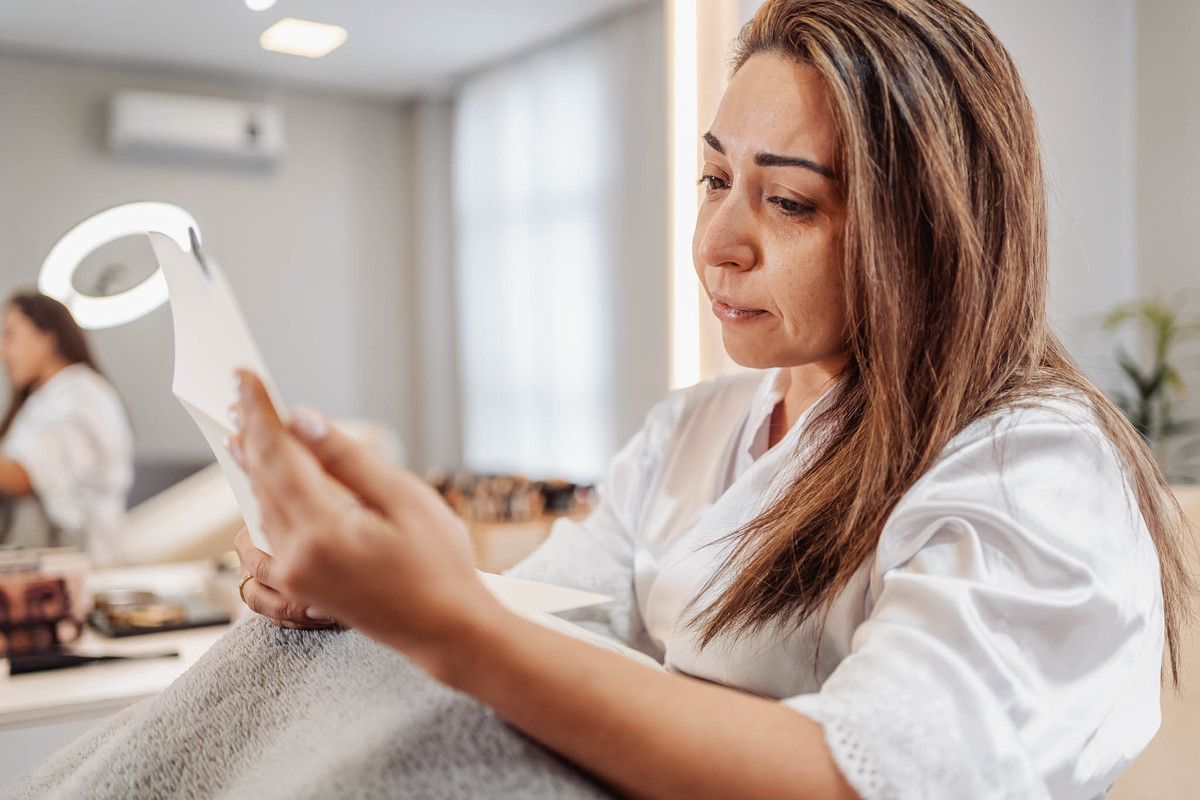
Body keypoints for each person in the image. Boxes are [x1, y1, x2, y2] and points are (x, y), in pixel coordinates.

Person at [225, 0, 1193, 797]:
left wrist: (452, 626)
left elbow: (870, 779)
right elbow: (553, 614)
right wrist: (367, 594)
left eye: (790, 201)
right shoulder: (694, 428)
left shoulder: (1033, 466)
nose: (716, 242)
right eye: (714, 178)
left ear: (933, 229)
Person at [0, 291, 133, 566]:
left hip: (87, 567)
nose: (3, 351)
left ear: (46, 335)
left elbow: (26, 476)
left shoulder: (82, 394)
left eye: (10, 335)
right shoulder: (42, 398)